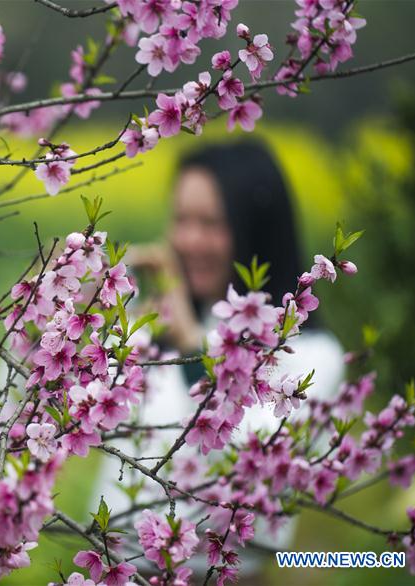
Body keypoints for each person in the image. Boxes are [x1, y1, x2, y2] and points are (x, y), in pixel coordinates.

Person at [96, 141, 345, 573]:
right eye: (181, 220)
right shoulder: (147, 331)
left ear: (256, 228)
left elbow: (252, 457)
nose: (188, 240)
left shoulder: (312, 355)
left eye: (211, 223)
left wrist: (193, 344)